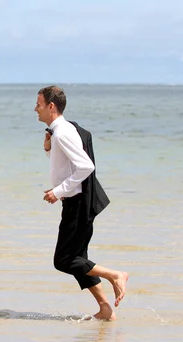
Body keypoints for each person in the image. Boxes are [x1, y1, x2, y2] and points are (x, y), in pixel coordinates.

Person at [35, 85, 129, 320]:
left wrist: (59, 191)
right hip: (75, 202)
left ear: (51, 106)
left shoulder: (64, 132)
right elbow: (66, 163)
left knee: (64, 260)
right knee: (79, 259)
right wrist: (48, 148)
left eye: (38, 104)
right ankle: (105, 308)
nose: (35, 109)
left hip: (77, 203)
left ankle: (115, 275)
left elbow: (86, 166)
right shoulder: (61, 131)